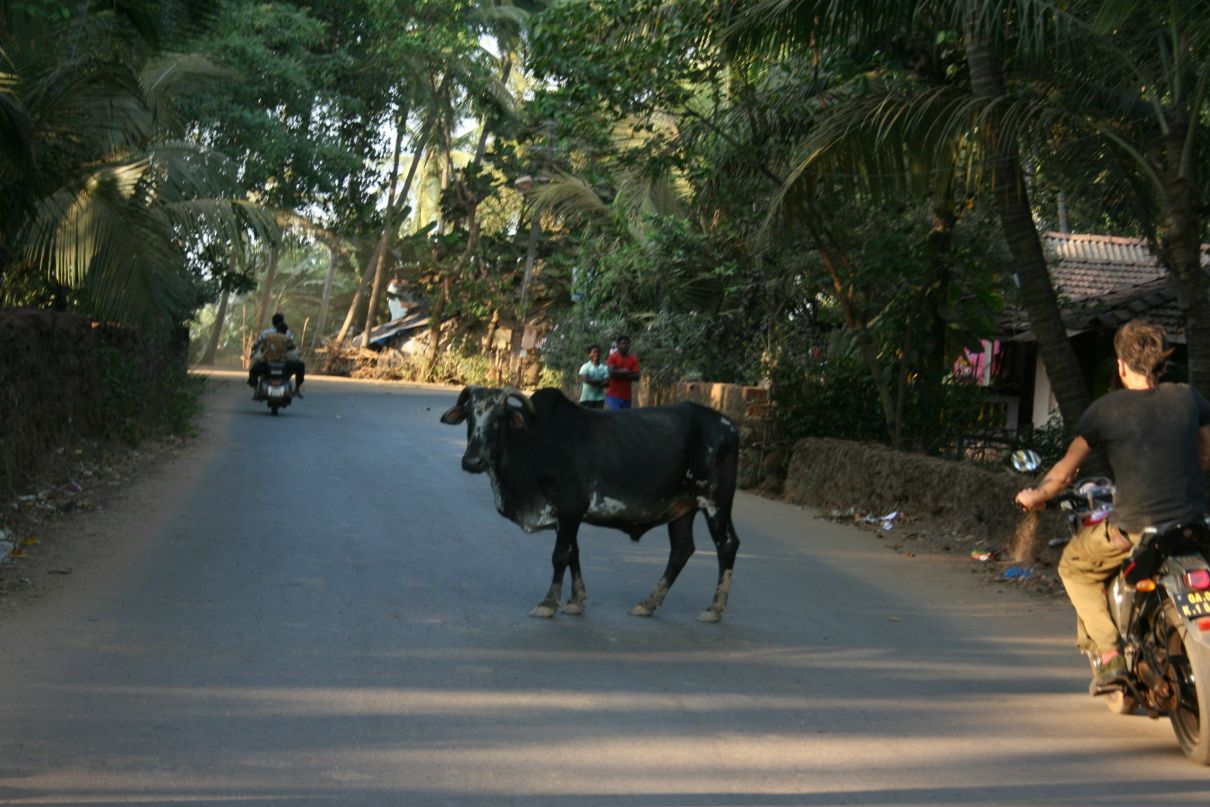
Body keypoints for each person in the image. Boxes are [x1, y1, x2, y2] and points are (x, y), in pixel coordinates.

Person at [1015, 320, 1210, 694]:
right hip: (1191, 524)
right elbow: (1207, 453)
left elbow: (1062, 473)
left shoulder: (1105, 410)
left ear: (1121, 366)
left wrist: (1034, 497)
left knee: (1073, 565)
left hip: (1135, 529)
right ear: (1162, 364)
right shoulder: (1188, 398)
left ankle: (1109, 655)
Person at [248, 314, 306, 395]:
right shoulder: (288, 336)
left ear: (273, 323)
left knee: (253, 369)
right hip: (283, 362)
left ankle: (255, 389)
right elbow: (293, 348)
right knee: (300, 365)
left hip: (268, 362)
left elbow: (260, 347)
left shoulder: (266, 335)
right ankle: (297, 389)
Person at [605, 334, 640, 410]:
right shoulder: (612, 358)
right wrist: (626, 371)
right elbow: (611, 373)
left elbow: (637, 377)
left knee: (625, 419)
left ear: (629, 345)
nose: (624, 346)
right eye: (622, 344)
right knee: (615, 417)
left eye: (626, 344)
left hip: (627, 397)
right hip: (613, 396)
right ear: (618, 345)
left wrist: (618, 372)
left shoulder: (633, 360)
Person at [578, 344, 609, 408]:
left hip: (599, 399)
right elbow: (585, 380)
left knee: (598, 417)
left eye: (598, 352)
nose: (596, 354)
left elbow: (607, 384)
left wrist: (591, 382)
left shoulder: (604, 368)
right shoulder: (585, 366)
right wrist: (601, 381)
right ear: (589, 355)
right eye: (594, 352)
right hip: (586, 399)